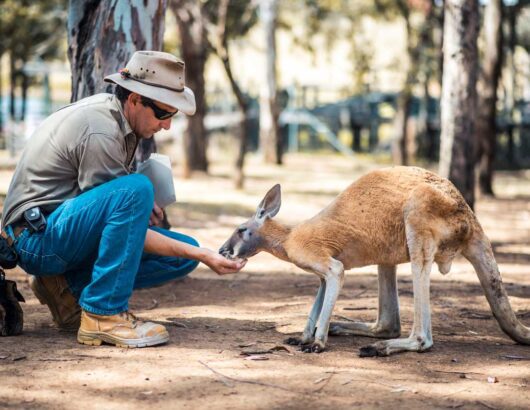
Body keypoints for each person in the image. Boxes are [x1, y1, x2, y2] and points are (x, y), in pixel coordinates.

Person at [0, 51, 245, 348]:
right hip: (36, 240)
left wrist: (188, 247)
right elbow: (121, 224)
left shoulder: (121, 121)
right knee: (139, 192)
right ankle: (102, 314)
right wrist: (204, 255)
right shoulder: (101, 129)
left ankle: (67, 289)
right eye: (163, 113)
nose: (167, 125)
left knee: (181, 254)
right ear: (135, 99)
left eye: (173, 115)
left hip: (55, 231)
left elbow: (111, 225)